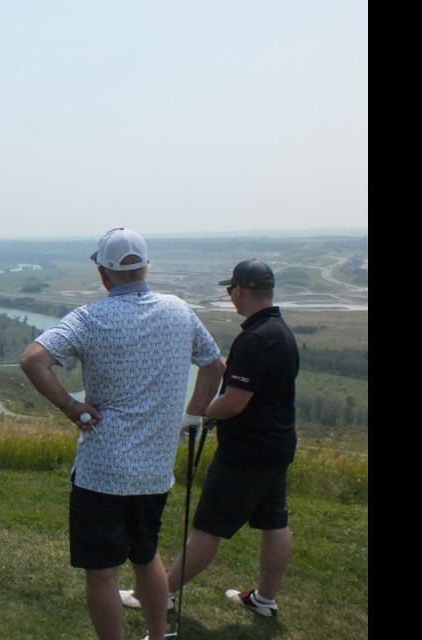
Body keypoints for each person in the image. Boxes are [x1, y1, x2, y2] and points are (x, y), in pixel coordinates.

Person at [19, 228, 225, 640]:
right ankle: (156, 634)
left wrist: (71, 408)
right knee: (147, 557)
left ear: (103, 274)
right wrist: (192, 415)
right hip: (153, 470)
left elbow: (32, 359)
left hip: (102, 471)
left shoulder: (90, 318)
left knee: (102, 573)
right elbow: (214, 365)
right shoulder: (179, 310)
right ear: (146, 267)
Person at [119, 258, 300, 621]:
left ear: (241, 291)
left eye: (231, 289)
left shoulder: (255, 339)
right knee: (274, 523)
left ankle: (159, 595)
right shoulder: (281, 331)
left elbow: (233, 403)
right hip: (276, 445)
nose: (231, 295)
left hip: (245, 454)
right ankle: (264, 600)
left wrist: (198, 414)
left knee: (206, 528)